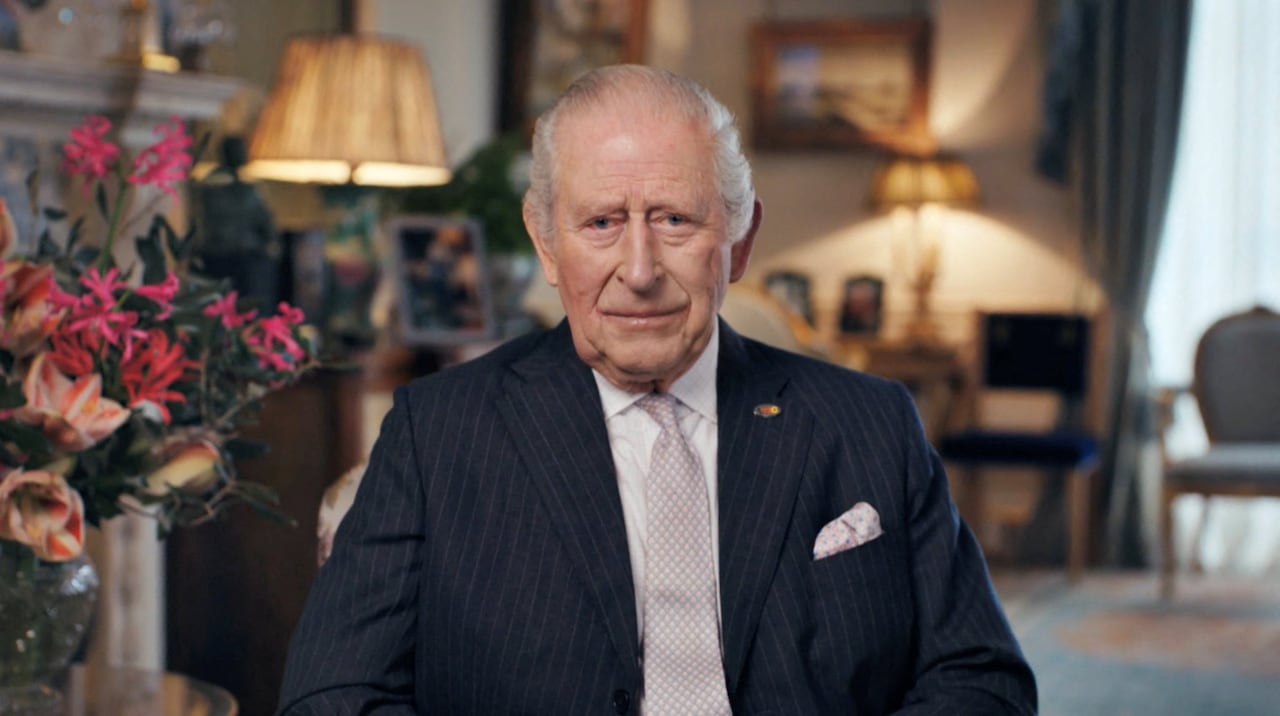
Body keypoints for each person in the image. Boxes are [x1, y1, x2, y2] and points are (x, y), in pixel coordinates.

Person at [278, 65, 1036, 715]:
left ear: (739, 242)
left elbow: (981, 678)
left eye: (675, 220)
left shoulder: (868, 422)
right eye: (602, 222)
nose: (638, 271)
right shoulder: (438, 431)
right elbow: (331, 693)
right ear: (546, 243)